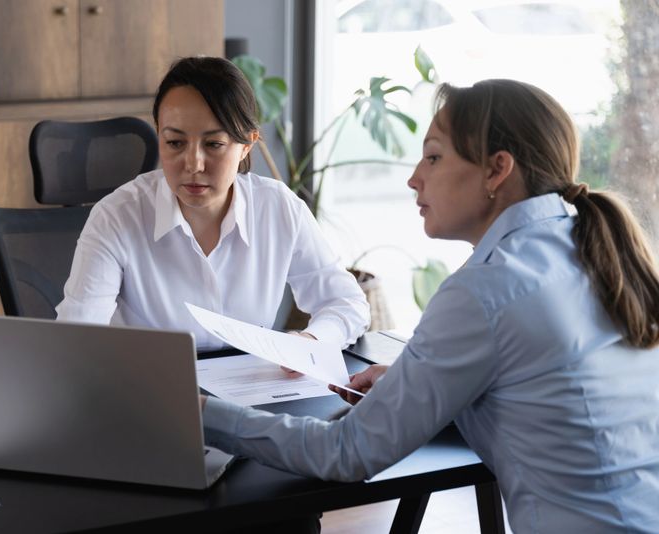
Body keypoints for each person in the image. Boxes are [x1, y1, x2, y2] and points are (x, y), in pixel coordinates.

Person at [202, 79, 659, 532]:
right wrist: (419, 379)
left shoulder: (487, 289)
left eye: (434, 157)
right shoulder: (591, 251)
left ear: (496, 170)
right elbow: (540, 388)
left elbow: (345, 452)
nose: (414, 177)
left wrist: (201, 413)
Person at [55, 56, 369, 350]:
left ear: (247, 145)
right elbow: (76, 337)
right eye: (175, 142)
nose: (193, 164)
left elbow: (346, 304)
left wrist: (311, 341)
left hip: (251, 394)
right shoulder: (118, 216)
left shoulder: (278, 209)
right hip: (151, 395)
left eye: (214, 144)